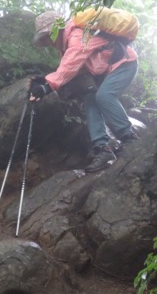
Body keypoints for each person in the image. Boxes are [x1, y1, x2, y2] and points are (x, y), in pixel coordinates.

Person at [29, 10, 139, 173]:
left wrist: (47, 86)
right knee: (90, 98)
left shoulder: (76, 36)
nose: (47, 42)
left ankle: (129, 138)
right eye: (44, 39)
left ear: (56, 30)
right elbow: (70, 68)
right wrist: (45, 80)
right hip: (107, 69)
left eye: (46, 37)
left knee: (104, 96)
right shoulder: (67, 45)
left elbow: (70, 65)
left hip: (125, 63)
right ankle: (102, 148)